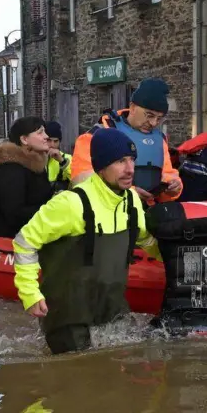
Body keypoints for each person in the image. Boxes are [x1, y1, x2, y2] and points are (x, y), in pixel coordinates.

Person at [13, 128, 161, 355]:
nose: (130, 169)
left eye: (132, 160)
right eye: (120, 161)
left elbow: (147, 240)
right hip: (69, 318)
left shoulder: (131, 200)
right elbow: (25, 242)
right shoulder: (72, 204)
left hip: (111, 310)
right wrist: (30, 294)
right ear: (101, 167)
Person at [70, 77, 182, 205]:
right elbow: (81, 182)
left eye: (159, 118)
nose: (153, 123)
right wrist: (130, 193)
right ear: (133, 108)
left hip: (147, 215)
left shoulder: (159, 139)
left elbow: (168, 173)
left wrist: (173, 187)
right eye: (149, 115)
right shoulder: (96, 135)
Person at [0, 116, 56, 239]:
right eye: (40, 132)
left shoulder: (35, 165)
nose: (46, 136)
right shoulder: (11, 170)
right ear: (24, 139)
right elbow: (14, 215)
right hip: (9, 242)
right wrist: (53, 210)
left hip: (33, 235)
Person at [44, 120, 71, 192]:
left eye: (55, 141)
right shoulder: (35, 158)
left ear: (59, 142)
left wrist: (62, 161)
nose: (52, 145)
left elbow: (77, 179)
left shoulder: (67, 158)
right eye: (49, 140)